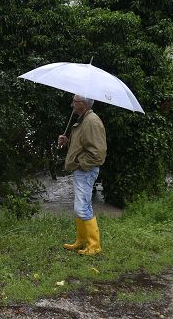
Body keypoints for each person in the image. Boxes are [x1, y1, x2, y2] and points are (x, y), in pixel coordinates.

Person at [58, 95, 107, 256]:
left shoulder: (91, 121)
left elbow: (98, 154)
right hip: (81, 170)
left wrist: (80, 163)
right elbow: (81, 146)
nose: (71, 104)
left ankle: (94, 246)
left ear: (84, 104)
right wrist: (67, 142)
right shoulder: (83, 119)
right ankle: (81, 241)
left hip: (85, 171)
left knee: (82, 206)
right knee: (81, 205)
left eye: (75, 101)